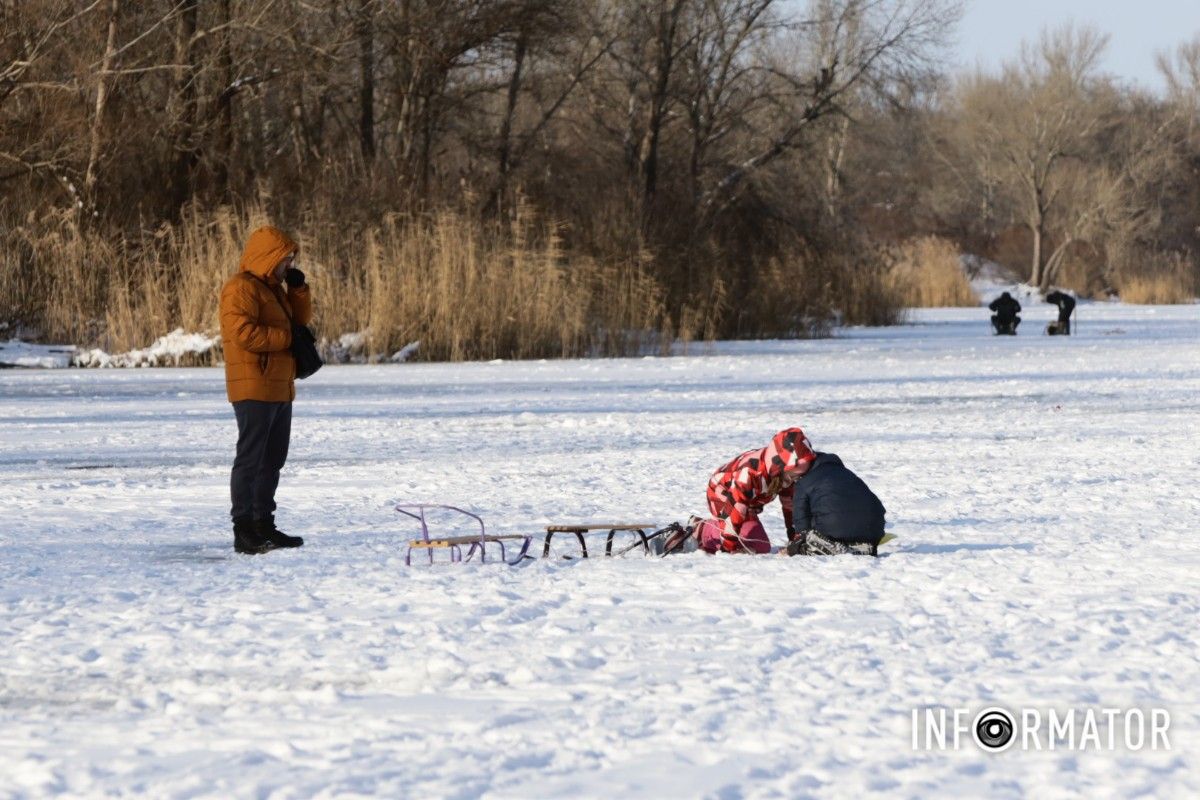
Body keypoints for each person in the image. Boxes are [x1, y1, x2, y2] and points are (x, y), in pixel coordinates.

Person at [219, 226, 312, 554]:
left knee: (273, 459)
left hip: (280, 385)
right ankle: (243, 528)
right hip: (254, 385)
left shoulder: (274, 289)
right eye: (285, 259)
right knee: (251, 459)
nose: (289, 264)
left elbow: (300, 320)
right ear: (269, 257)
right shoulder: (240, 288)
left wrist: (298, 290)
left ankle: (264, 524)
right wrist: (287, 339)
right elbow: (244, 333)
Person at [699, 427, 817, 554]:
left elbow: (790, 508)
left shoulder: (785, 476)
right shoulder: (749, 474)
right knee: (755, 544)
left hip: (747, 505)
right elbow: (736, 509)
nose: (796, 480)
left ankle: (725, 536)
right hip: (722, 495)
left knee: (759, 545)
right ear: (778, 467)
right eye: (793, 475)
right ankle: (702, 530)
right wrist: (729, 546)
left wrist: (796, 539)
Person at [785, 452, 886, 556]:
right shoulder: (845, 472)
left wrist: (797, 543)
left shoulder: (803, 483)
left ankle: (830, 547)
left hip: (836, 527)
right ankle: (861, 547)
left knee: (802, 545)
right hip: (874, 525)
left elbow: (801, 518)